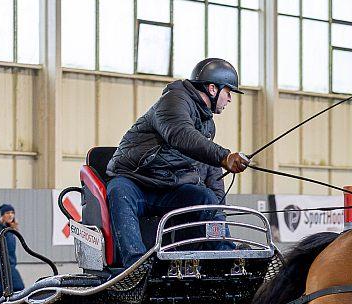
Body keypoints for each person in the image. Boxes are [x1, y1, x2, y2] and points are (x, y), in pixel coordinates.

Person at [105, 58, 250, 267]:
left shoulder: (207, 124)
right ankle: (135, 266)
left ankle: (224, 256)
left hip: (168, 187)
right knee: (119, 192)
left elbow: (203, 165)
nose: (229, 99)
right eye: (228, 92)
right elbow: (181, 135)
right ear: (212, 89)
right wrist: (224, 156)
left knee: (205, 197)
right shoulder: (173, 101)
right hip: (136, 182)